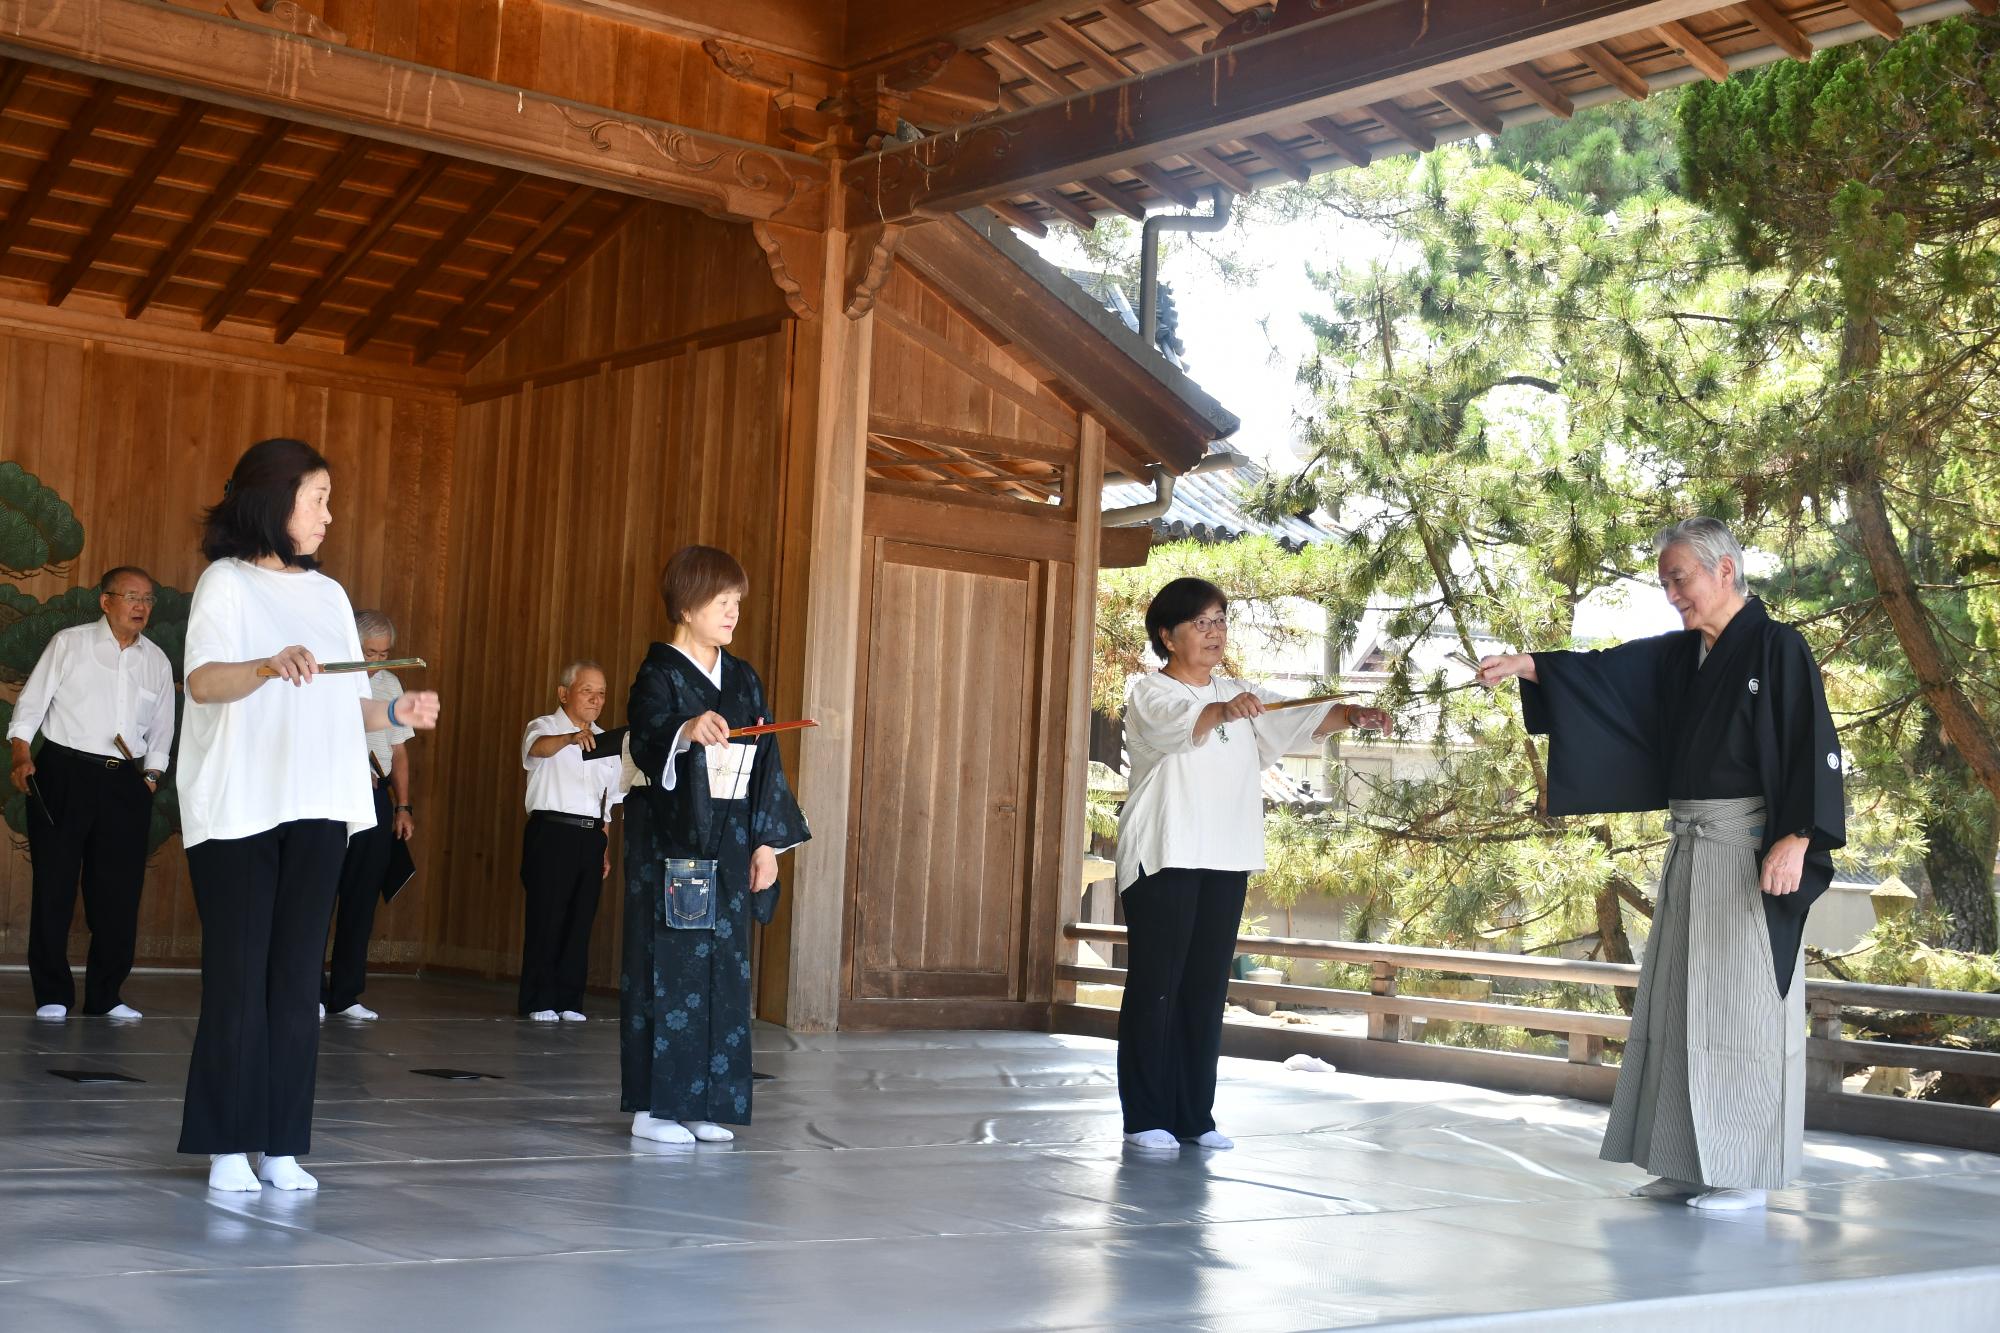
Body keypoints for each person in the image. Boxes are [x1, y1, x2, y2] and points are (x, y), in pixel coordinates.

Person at [1477, 517, 1844, 1212]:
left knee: (1739, 1009)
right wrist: (1532, 665)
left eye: (1681, 578)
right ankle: (1686, 1159)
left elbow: (1810, 742)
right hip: (1694, 846)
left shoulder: (1777, 647)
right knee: (1679, 1006)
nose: (1672, 592)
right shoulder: (1686, 657)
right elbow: (1612, 672)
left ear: (1725, 570)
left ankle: (1743, 1171)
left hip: (1750, 850)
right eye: (1665, 581)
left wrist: (1798, 835)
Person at [177, 438, 441, 1194]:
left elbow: (337, 696)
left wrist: (396, 707)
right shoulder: (223, 583)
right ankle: (230, 1144)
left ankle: (283, 1143)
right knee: (240, 974)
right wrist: (264, 665)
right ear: (273, 498)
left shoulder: (328, 596)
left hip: (320, 800)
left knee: (297, 978)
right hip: (241, 805)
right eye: (318, 496)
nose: (330, 513)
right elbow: (201, 682)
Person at [1115, 577, 1389, 1154]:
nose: (1214, 633)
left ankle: (1194, 1115)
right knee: (1157, 989)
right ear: (1167, 635)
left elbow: (1294, 722)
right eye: (1200, 623)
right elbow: (1182, 724)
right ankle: (1145, 1116)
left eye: (1219, 621)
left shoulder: (1239, 691)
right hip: (1164, 855)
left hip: (1225, 855)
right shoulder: (1149, 692)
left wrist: (1352, 714)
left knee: (1205, 989)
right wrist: (1222, 710)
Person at [620, 545, 809, 1145]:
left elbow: (766, 766)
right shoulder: (659, 675)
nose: (731, 612)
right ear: (685, 605)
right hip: (673, 843)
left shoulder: (744, 677)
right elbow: (648, 738)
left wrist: (767, 847)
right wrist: (685, 729)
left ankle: (704, 1102)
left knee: (725, 972)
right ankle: (654, 1108)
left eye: (735, 602)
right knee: (667, 967)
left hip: (730, 840)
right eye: (720, 601)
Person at [6, 566, 174, 1020]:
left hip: (126, 783)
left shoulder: (156, 659)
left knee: (118, 892)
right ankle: (53, 994)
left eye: (148, 599)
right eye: (132, 597)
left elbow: (162, 729)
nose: (141, 606)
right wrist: (22, 754)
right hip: (65, 771)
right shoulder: (70, 643)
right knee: (55, 885)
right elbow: (32, 704)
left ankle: (106, 995)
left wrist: (152, 777)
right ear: (106, 601)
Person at [320, 610, 416, 1021]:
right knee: (319, 896)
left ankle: (346, 995)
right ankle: (307, 991)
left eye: (384, 652)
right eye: (369, 652)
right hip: (328, 796)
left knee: (361, 899)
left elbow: (398, 749)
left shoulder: (390, 682)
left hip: (374, 795)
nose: (377, 660)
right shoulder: (327, 677)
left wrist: (403, 805)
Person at [518, 661, 623, 1022]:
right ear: (564, 693)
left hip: (591, 835)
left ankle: (569, 1001)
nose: (596, 700)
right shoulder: (544, 726)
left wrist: (604, 846)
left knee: (581, 919)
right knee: (547, 917)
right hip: (552, 832)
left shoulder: (609, 739)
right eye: (587, 691)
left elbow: (608, 803)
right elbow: (537, 750)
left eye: (602, 693)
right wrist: (571, 738)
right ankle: (539, 999)